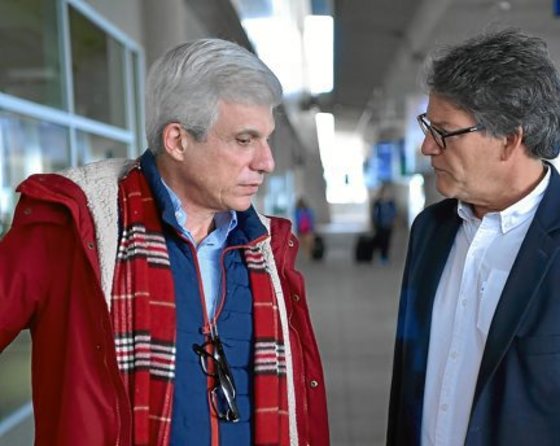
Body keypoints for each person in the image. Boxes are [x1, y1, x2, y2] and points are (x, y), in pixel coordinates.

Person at [0, 39, 329, 446]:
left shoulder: (263, 245)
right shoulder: (73, 226)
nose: (267, 162)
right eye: (245, 140)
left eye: (266, 139)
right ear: (177, 141)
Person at [386, 29, 560, 445]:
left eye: (443, 131)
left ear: (509, 139)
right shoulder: (431, 230)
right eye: (428, 127)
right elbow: (408, 385)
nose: (428, 147)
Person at [371, 183, 397, 264]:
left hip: (388, 225)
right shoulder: (377, 203)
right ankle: (381, 255)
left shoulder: (391, 203)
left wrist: (393, 221)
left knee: (387, 241)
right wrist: (375, 223)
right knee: (381, 240)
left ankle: (385, 256)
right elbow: (374, 214)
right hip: (380, 225)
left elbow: (394, 213)